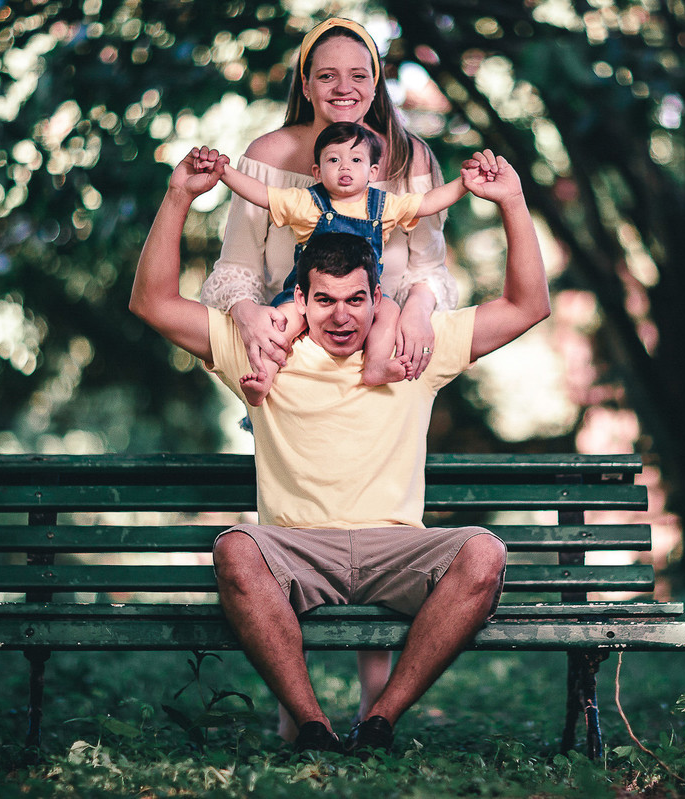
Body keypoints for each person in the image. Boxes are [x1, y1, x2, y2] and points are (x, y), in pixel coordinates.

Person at [129, 145, 550, 755]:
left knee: (484, 554)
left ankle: (380, 719)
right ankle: (313, 725)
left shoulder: (414, 346)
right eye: (324, 300)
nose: (342, 316)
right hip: (296, 548)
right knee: (235, 551)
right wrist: (178, 197)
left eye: (356, 299)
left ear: (376, 296)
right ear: (300, 298)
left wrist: (511, 200)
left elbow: (528, 306)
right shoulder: (266, 351)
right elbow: (153, 303)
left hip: (395, 547)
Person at [196, 16, 456, 736]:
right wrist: (250, 317)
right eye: (327, 75)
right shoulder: (271, 157)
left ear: (377, 83)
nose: (344, 89)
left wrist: (421, 313)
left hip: (386, 346)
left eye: (359, 75)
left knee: (377, 514)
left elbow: (433, 266)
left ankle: (377, 706)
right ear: (305, 83)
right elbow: (234, 273)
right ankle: (296, 707)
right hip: (294, 353)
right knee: (300, 518)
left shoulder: (407, 157)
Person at [210, 121, 472, 402]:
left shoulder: (385, 206)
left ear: (372, 171)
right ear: (317, 171)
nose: (345, 167)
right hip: (307, 295)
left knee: (390, 311)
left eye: (355, 159)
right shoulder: (306, 203)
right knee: (279, 328)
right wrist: (224, 173)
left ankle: (376, 364)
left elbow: (428, 203)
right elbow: (262, 195)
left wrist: (464, 184)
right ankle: (264, 379)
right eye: (334, 159)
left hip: (361, 298)